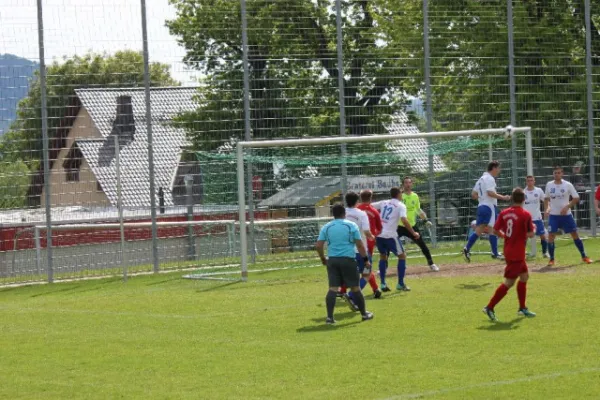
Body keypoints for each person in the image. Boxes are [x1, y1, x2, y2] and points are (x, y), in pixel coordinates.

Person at [482, 188, 536, 321]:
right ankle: (489, 307)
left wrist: (505, 235)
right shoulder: (525, 214)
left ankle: (522, 308)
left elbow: (495, 230)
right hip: (517, 252)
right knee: (509, 282)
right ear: (524, 199)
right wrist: (534, 229)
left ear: (512, 199)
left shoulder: (504, 213)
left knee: (524, 277)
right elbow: (530, 233)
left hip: (508, 249)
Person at [315, 203, 374, 325]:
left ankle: (330, 318)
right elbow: (359, 244)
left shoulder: (326, 227)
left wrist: (323, 258)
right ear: (344, 214)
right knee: (355, 287)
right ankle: (364, 314)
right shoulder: (351, 225)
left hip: (332, 260)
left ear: (333, 214)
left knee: (332, 288)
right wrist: (365, 259)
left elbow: (319, 245)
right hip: (348, 259)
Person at [338, 192, 381, 308]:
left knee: (353, 275)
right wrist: (372, 237)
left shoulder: (342, 213)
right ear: (357, 201)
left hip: (346, 251)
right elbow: (366, 232)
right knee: (366, 274)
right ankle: (351, 295)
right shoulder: (361, 214)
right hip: (360, 251)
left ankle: (348, 295)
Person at [372, 187, 420, 292]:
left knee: (383, 257)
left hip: (379, 235)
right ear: (399, 194)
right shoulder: (400, 205)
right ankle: (400, 284)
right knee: (402, 256)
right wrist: (413, 233)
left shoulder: (384, 202)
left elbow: (370, 206)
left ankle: (383, 284)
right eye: (401, 193)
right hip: (390, 236)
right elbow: (404, 220)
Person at [544, 166, 593, 267]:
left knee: (575, 234)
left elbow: (576, 198)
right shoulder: (549, 185)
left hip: (566, 216)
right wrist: (547, 208)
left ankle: (584, 256)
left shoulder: (567, 185)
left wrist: (567, 207)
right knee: (551, 236)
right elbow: (546, 199)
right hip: (554, 216)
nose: (556, 174)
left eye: (558, 173)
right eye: (555, 173)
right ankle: (551, 259)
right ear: (553, 174)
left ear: (562, 174)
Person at [463, 161, 511, 262]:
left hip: (481, 206)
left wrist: (482, 198)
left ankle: (467, 248)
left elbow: (473, 194)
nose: (499, 170)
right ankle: (494, 253)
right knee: (492, 229)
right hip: (489, 206)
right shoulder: (490, 178)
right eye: (498, 168)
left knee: (481, 230)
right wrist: (503, 197)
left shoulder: (480, 179)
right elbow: (490, 193)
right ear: (493, 168)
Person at [399, 176, 439, 272]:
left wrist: (425, 220)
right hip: (399, 226)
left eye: (409, 183)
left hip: (412, 226)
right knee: (389, 244)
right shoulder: (400, 196)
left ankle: (431, 263)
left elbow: (418, 210)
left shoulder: (415, 196)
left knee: (422, 245)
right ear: (403, 184)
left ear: (412, 184)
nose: (408, 184)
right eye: (406, 183)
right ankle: (383, 267)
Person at [356, 189, 384, 298]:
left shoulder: (356, 209)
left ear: (360, 197)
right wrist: (373, 236)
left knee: (357, 267)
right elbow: (380, 229)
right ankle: (375, 289)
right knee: (367, 267)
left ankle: (376, 289)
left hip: (356, 241)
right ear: (371, 198)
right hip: (369, 243)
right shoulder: (374, 211)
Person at [524, 176, 550, 258]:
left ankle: (545, 252)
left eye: (531, 180)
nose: (530, 182)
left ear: (534, 181)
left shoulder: (538, 191)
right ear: (526, 182)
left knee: (542, 235)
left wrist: (547, 209)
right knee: (524, 236)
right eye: (528, 181)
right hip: (527, 219)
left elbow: (545, 200)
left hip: (537, 218)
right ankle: (522, 253)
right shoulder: (523, 192)